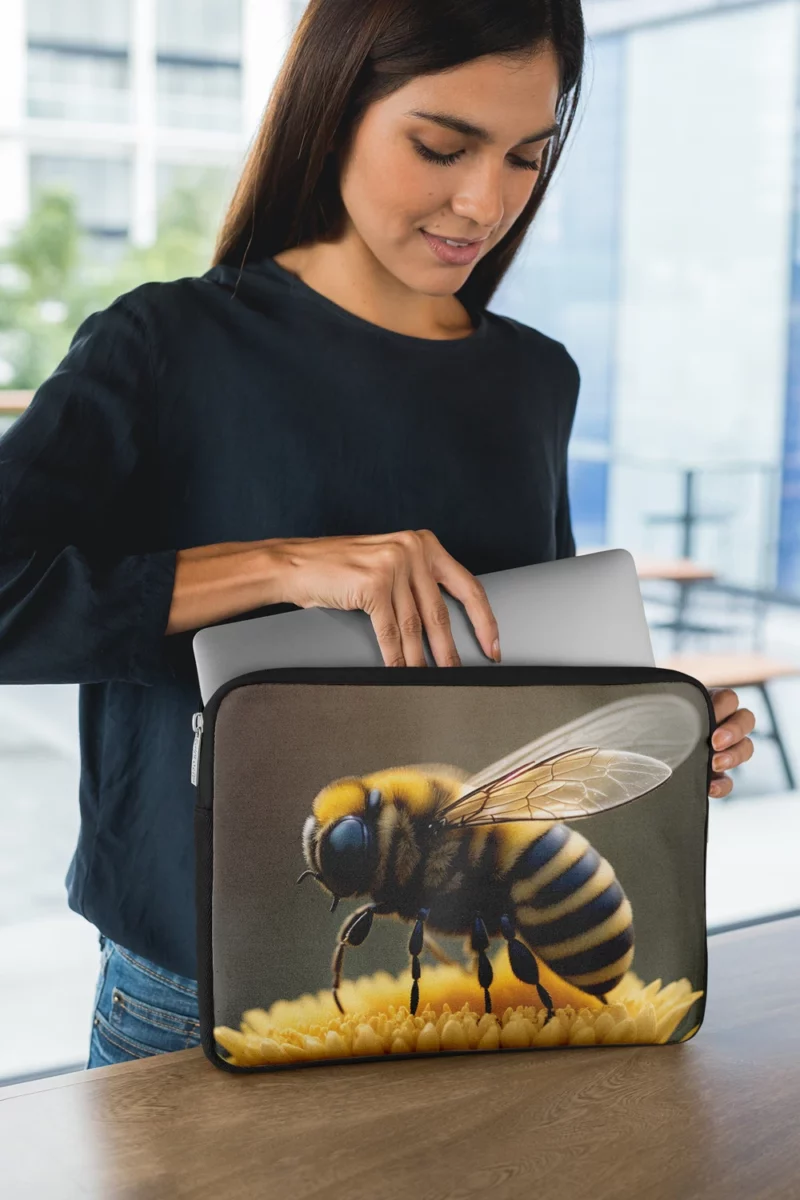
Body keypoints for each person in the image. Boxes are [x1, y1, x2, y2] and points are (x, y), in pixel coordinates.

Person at [0, 0, 755, 1069]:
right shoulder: (164, 344)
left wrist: (653, 729)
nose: (482, 201)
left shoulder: (535, 378)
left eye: (524, 158)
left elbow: (513, 668)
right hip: (193, 995)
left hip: (467, 999)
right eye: (440, 146)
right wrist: (288, 566)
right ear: (333, 108)